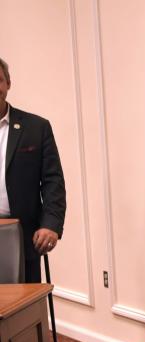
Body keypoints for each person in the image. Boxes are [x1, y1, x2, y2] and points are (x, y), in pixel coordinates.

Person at [0, 56, 66, 283]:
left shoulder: (36, 128)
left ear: (8, 83)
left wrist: (51, 225)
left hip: (23, 239)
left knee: (24, 316)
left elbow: (53, 181)